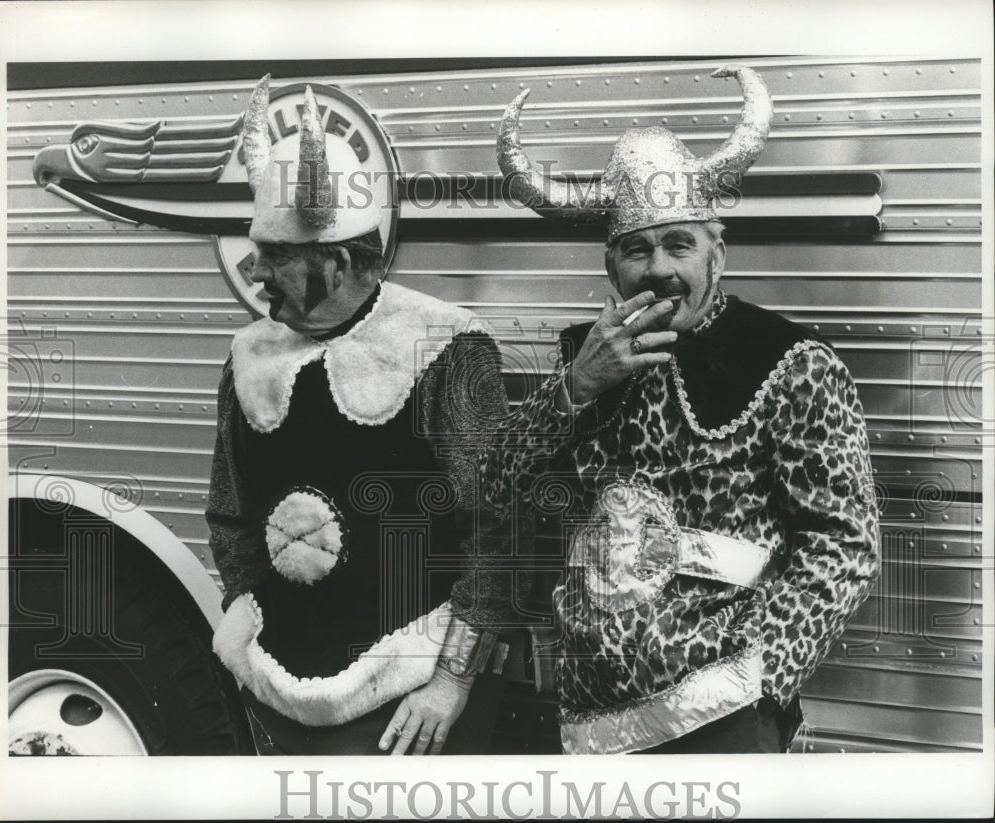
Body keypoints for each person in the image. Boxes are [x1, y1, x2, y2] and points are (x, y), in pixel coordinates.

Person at [484, 65, 880, 754]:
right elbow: (494, 494)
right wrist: (575, 390)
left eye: (678, 244)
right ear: (612, 268)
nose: (660, 269)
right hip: (589, 724)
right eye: (638, 249)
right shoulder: (582, 360)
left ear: (717, 254)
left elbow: (845, 542)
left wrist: (761, 675)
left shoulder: (791, 361)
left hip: (723, 717)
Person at [208, 76, 518, 755]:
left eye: (278, 254)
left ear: (342, 259)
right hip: (276, 675)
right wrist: (242, 604)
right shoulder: (248, 353)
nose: (255, 270)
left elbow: (500, 526)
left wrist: (453, 680)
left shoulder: (445, 346)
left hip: (408, 695)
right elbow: (229, 509)